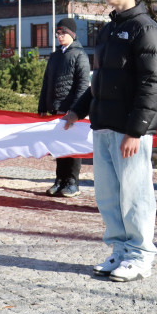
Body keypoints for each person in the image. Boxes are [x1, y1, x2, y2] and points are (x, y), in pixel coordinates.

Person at [64, 0, 157, 283]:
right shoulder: (107, 30)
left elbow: (151, 85)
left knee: (135, 195)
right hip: (103, 126)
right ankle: (119, 250)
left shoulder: (146, 29)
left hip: (128, 131)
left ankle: (140, 256)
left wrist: (136, 131)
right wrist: (78, 110)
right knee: (108, 196)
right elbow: (99, 81)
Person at [38, 18, 92, 197]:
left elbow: (83, 86)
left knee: (72, 147)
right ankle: (60, 180)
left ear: (72, 34)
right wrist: (43, 105)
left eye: (63, 33)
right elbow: (46, 82)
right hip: (56, 109)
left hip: (72, 111)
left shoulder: (79, 55)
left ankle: (72, 182)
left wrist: (76, 110)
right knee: (59, 147)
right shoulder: (54, 56)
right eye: (57, 33)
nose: (59, 36)